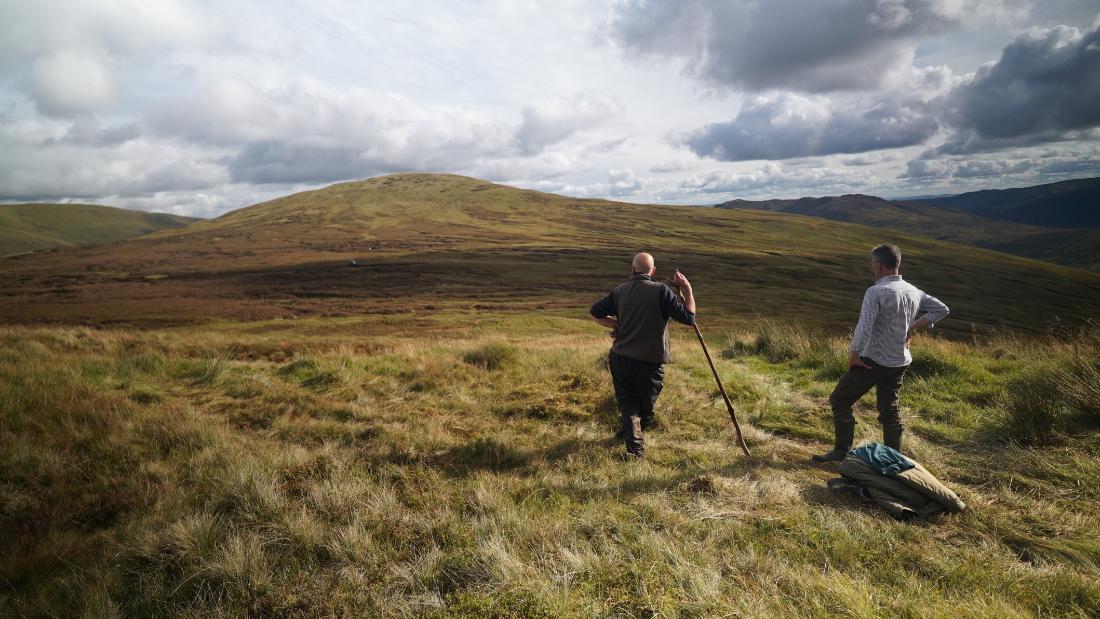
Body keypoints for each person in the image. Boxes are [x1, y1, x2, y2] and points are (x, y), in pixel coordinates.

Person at [813, 244, 949, 462]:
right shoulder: (914, 291)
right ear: (897, 263)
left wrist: (854, 353)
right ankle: (893, 458)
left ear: (878, 264)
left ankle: (841, 452)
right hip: (900, 360)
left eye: (872, 263)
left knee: (840, 400)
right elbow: (942, 309)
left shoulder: (876, 291)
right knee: (890, 410)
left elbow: (864, 326)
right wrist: (912, 327)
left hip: (874, 360)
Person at [590, 252, 696, 458]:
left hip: (620, 358)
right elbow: (689, 318)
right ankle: (636, 451)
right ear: (653, 271)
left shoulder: (620, 291)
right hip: (649, 362)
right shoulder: (661, 292)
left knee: (631, 404)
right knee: (640, 405)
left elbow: (595, 312)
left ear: (632, 269)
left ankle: (629, 432)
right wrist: (688, 290)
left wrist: (617, 324)